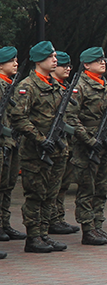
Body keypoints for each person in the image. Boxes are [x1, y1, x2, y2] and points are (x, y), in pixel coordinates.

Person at [8, 41, 70, 253]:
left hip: (56, 149)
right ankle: (33, 237)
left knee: (50, 195)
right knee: (36, 195)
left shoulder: (54, 85)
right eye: (51, 56)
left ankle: (43, 234)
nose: (55, 60)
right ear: (39, 60)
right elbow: (18, 118)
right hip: (36, 151)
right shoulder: (28, 86)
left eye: (55, 56)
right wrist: (40, 138)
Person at [67, 47, 107, 246]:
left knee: (102, 187)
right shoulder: (79, 86)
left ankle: (98, 225)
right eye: (97, 60)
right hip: (87, 145)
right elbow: (70, 117)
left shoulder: (105, 85)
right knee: (87, 189)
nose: (103, 62)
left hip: (105, 142)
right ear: (86, 64)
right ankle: (88, 229)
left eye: (103, 59)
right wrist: (90, 140)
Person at [48, 51, 79, 236]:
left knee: (62, 184)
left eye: (69, 66)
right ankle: (50, 220)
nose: (67, 68)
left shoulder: (66, 87)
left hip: (66, 143)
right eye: (64, 65)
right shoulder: (50, 87)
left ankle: (58, 217)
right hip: (51, 142)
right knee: (51, 186)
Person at [0, 47, 26, 248]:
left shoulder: (11, 85)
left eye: (16, 60)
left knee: (8, 185)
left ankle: (4, 223)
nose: (15, 64)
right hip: (3, 141)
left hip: (12, 142)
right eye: (11, 61)